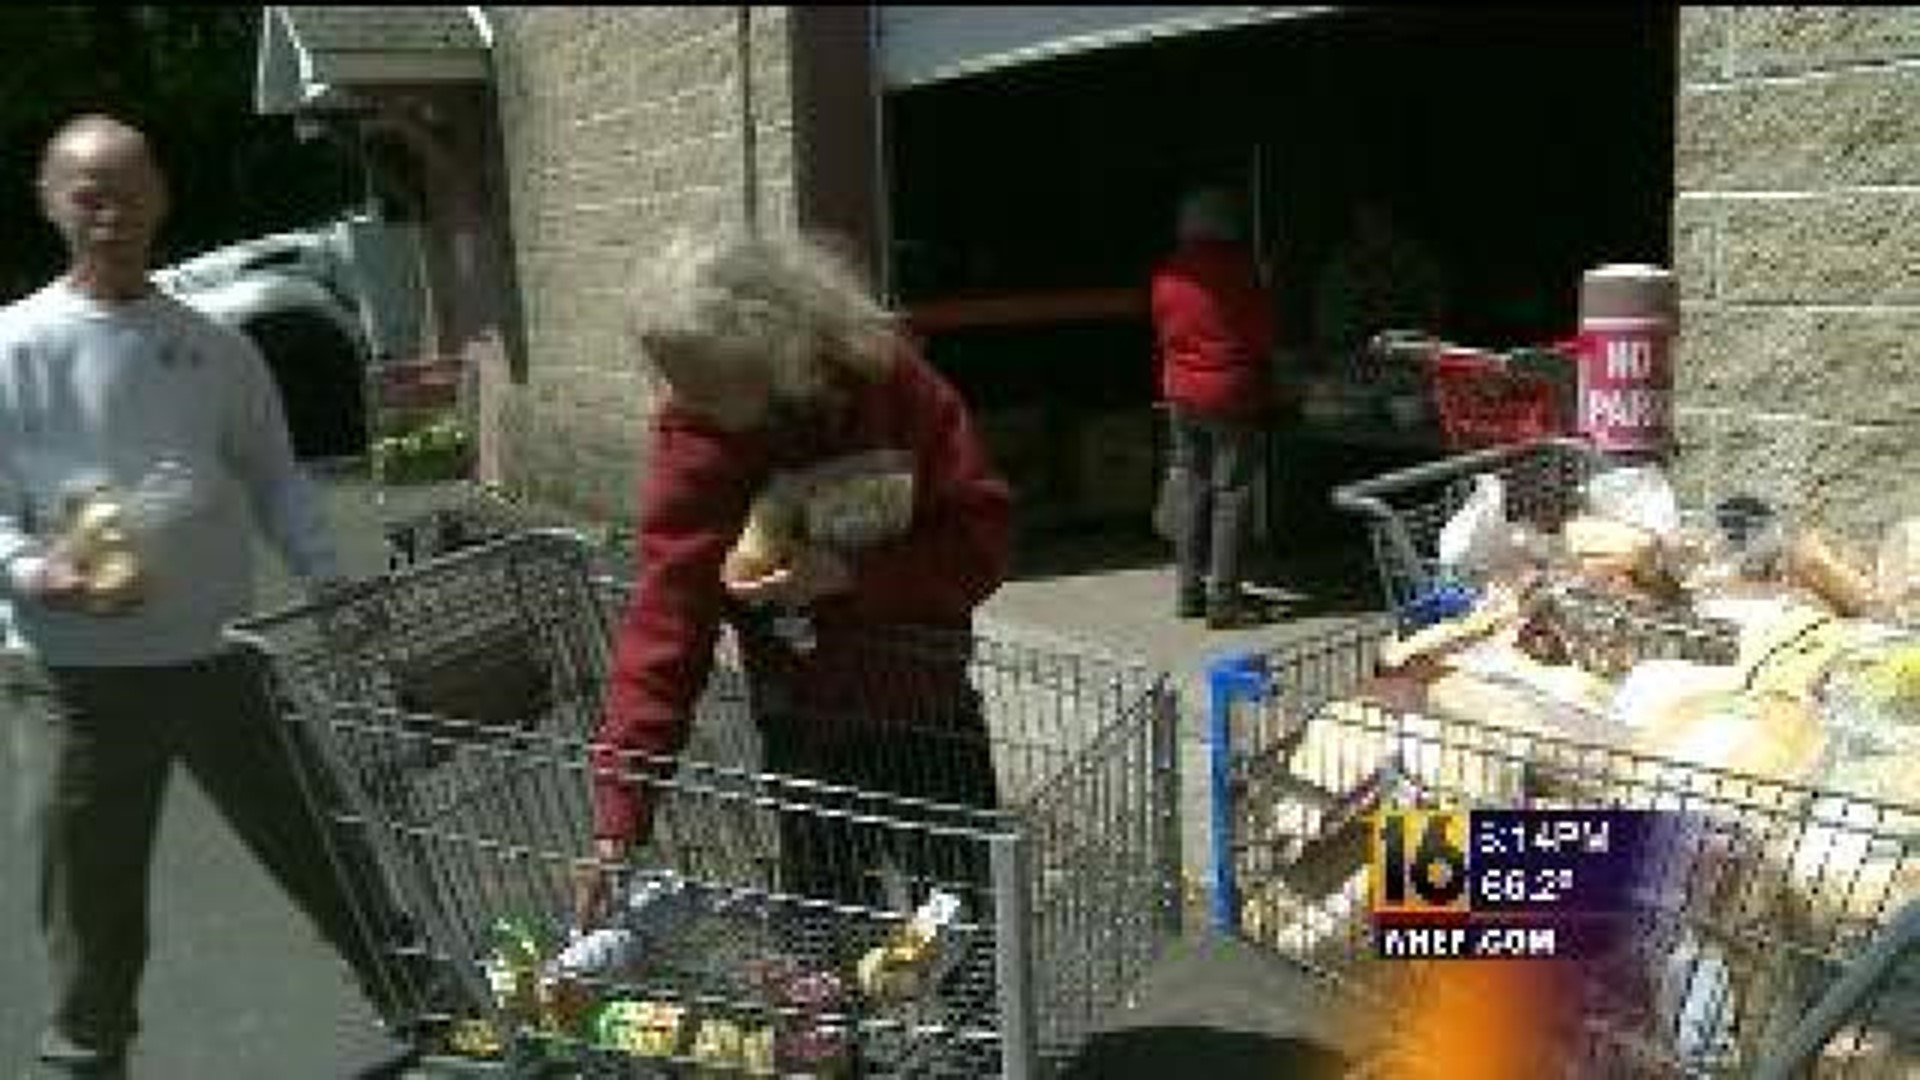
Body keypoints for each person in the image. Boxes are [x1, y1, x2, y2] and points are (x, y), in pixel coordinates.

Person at [0, 114, 425, 1079]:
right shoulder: (12, 344)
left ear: (161, 195)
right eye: (86, 191)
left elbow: (276, 475)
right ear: (51, 201)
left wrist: (327, 577)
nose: (109, 211)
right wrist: (37, 572)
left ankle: (424, 1006)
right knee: (89, 903)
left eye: (128, 187)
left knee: (327, 847)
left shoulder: (214, 346)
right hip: (71, 682)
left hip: (221, 656)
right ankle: (86, 1060)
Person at [574, 230, 1014, 930]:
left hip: (928, 710)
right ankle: (836, 1038)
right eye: (673, 383)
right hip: (806, 728)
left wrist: (848, 575)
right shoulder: (694, 442)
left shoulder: (889, 386)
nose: (685, 404)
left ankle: (981, 1040)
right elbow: (667, 624)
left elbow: (983, 538)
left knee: (968, 924)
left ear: (777, 351)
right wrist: (620, 818)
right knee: (829, 939)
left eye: (708, 387)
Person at [1150, 186, 1277, 630]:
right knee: (1233, 493)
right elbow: (1262, 334)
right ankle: (1224, 598)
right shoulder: (1240, 271)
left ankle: (1188, 591)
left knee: (1192, 487)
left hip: (1180, 392)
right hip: (1229, 394)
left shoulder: (1168, 272)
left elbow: (1164, 328)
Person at [1312, 198, 1447, 354]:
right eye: (1365, 222)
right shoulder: (1341, 266)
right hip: (1354, 356)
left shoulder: (1416, 262)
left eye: (1379, 221)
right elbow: (1328, 325)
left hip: (1410, 354)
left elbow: (1435, 314)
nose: (1371, 229)